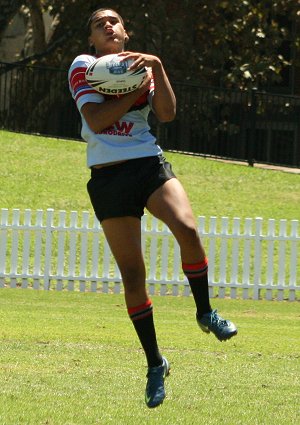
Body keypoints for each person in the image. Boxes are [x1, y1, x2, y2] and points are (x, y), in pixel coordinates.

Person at [68, 7, 237, 408]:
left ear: (125, 32)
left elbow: (167, 113)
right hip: (108, 177)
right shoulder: (85, 66)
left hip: (147, 162)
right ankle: (155, 363)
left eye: (114, 21)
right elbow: (96, 121)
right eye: (99, 24)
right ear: (91, 39)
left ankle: (205, 312)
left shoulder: (145, 66)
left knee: (188, 230)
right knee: (132, 274)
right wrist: (133, 91)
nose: (108, 26)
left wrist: (157, 68)